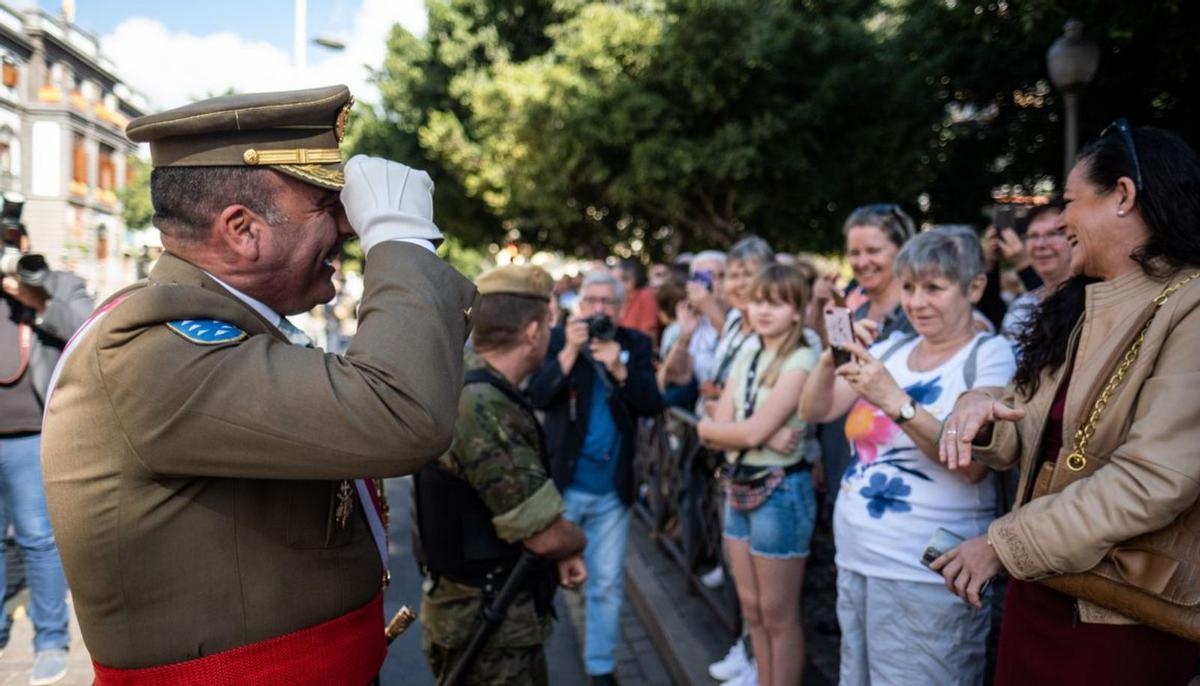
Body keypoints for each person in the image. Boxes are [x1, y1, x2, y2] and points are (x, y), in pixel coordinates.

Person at [40, 86, 478, 683]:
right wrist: (398, 238)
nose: (350, 229)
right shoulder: (149, 349)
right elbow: (401, 412)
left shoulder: (229, 331)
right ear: (242, 229)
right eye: (328, 207)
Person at [936, 124, 1200, 685]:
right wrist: (978, 409)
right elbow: (1031, 419)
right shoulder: (1083, 304)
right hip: (1044, 588)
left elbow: (1153, 480)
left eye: (1071, 203)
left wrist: (1003, 546)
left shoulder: (1192, 308)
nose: (1058, 223)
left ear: (1123, 196)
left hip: (1121, 612)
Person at [799, 227, 1016, 685]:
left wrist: (894, 399)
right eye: (910, 288)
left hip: (925, 574)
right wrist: (829, 358)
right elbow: (815, 409)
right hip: (858, 559)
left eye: (934, 288)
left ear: (974, 287)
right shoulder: (893, 347)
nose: (917, 303)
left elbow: (974, 464)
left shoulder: (991, 355)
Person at [416, 264, 587, 686]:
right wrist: (575, 542)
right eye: (550, 323)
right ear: (533, 331)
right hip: (488, 626)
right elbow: (544, 534)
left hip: (479, 615)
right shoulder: (482, 405)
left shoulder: (466, 377)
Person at [528, 271, 664, 685]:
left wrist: (620, 368)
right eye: (593, 302)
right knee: (546, 579)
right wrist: (570, 351)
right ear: (579, 305)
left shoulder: (635, 344)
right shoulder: (556, 341)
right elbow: (538, 395)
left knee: (605, 584)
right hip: (564, 488)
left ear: (621, 309)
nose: (600, 310)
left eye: (609, 303)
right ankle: (536, 659)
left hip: (612, 492)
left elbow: (651, 404)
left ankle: (601, 668)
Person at [698, 264, 819, 686]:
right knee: (752, 609)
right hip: (739, 482)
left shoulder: (803, 355)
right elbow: (712, 428)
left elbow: (741, 429)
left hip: (782, 491)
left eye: (779, 302)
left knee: (778, 614)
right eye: (760, 300)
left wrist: (735, 432)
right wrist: (747, 433)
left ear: (797, 309)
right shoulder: (749, 348)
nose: (766, 310)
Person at [0, 213, 92, 685]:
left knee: (37, 540)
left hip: (30, 435)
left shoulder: (55, 283)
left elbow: (87, 328)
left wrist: (34, 297)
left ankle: (51, 640)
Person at [812, 205, 918, 509]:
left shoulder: (920, 319)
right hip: (840, 459)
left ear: (902, 251)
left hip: (895, 476)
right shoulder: (851, 314)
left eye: (873, 251)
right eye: (854, 253)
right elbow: (827, 372)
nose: (862, 262)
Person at [998, 199, 1071, 339]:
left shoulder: (1091, 303)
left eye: (1052, 234)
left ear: (1073, 238)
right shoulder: (1021, 307)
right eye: (1033, 236)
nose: (1040, 244)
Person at [660, 250, 728, 391]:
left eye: (720, 275)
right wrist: (684, 337)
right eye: (701, 277)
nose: (713, 283)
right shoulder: (697, 321)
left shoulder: (743, 316)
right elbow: (669, 379)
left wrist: (712, 310)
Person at [613, 259, 659, 342]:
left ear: (630, 281)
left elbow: (649, 334)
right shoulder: (617, 300)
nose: (611, 285)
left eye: (615, 281)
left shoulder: (645, 295)